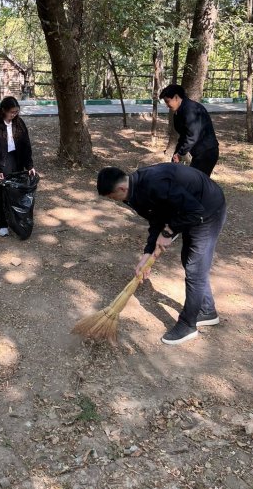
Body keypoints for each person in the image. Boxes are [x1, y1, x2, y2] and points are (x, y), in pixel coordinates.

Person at [97, 163, 226, 345]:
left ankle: (188, 325)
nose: (114, 201)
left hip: (208, 210)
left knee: (195, 269)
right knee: (189, 261)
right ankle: (207, 310)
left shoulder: (154, 183)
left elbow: (195, 211)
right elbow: (156, 219)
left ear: (121, 188)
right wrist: (147, 253)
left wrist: (169, 231)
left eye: (112, 197)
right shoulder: (135, 193)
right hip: (189, 209)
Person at [0, 96, 36, 236]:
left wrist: (29, 165)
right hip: (1, 162)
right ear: (3, 110)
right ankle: (2, 224)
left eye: (16, 112)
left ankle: (16, 220)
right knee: (1, 193)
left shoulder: (19, 123)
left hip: (17, 160)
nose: (14, 115)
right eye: (11, 112)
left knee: (16, 192)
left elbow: (26, 145)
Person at [160, 84, 219, 176]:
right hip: (199, 153)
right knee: (194, 180)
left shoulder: (190, 110)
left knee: (195, 181)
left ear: (176, 97)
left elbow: (192, 136)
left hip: (207, 152)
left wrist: (180, 153)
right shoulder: (180, 111)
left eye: (168, 102)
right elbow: (183, 136)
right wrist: (176, 154)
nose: (167, 106)